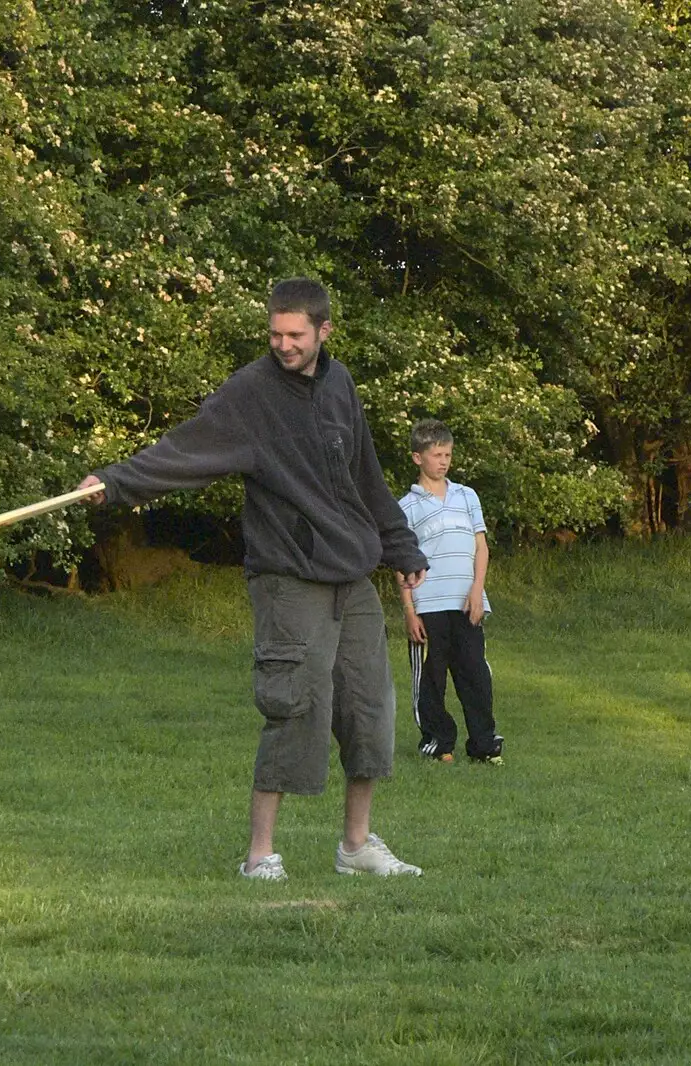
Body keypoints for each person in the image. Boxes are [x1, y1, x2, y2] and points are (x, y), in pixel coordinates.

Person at [79, 278, 428, 881]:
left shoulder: (340, 385)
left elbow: (365, 473)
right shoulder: (250, 394)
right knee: (293, 707)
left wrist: (398, 542)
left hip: (352, 574)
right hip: (288, 576)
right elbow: (184, 451)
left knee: (369, 710)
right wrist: (116, 484)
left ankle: (357, 846)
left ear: (324, 332)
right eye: (275, 334)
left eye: (296, 335)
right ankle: (260, 855)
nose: (284, 345)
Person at [397, 419, 503, 765]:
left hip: (465, 602)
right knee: (431, 680)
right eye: (437, 455)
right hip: (428, 604)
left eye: (448, 454)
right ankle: (439, 743)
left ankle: (484, 746)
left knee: (475, 675)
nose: (444, 461)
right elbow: (402, 562)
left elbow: (481, 547)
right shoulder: (406, 507)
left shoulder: (466, 496)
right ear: (418, 458)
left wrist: (477, 591)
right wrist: (410, 611)